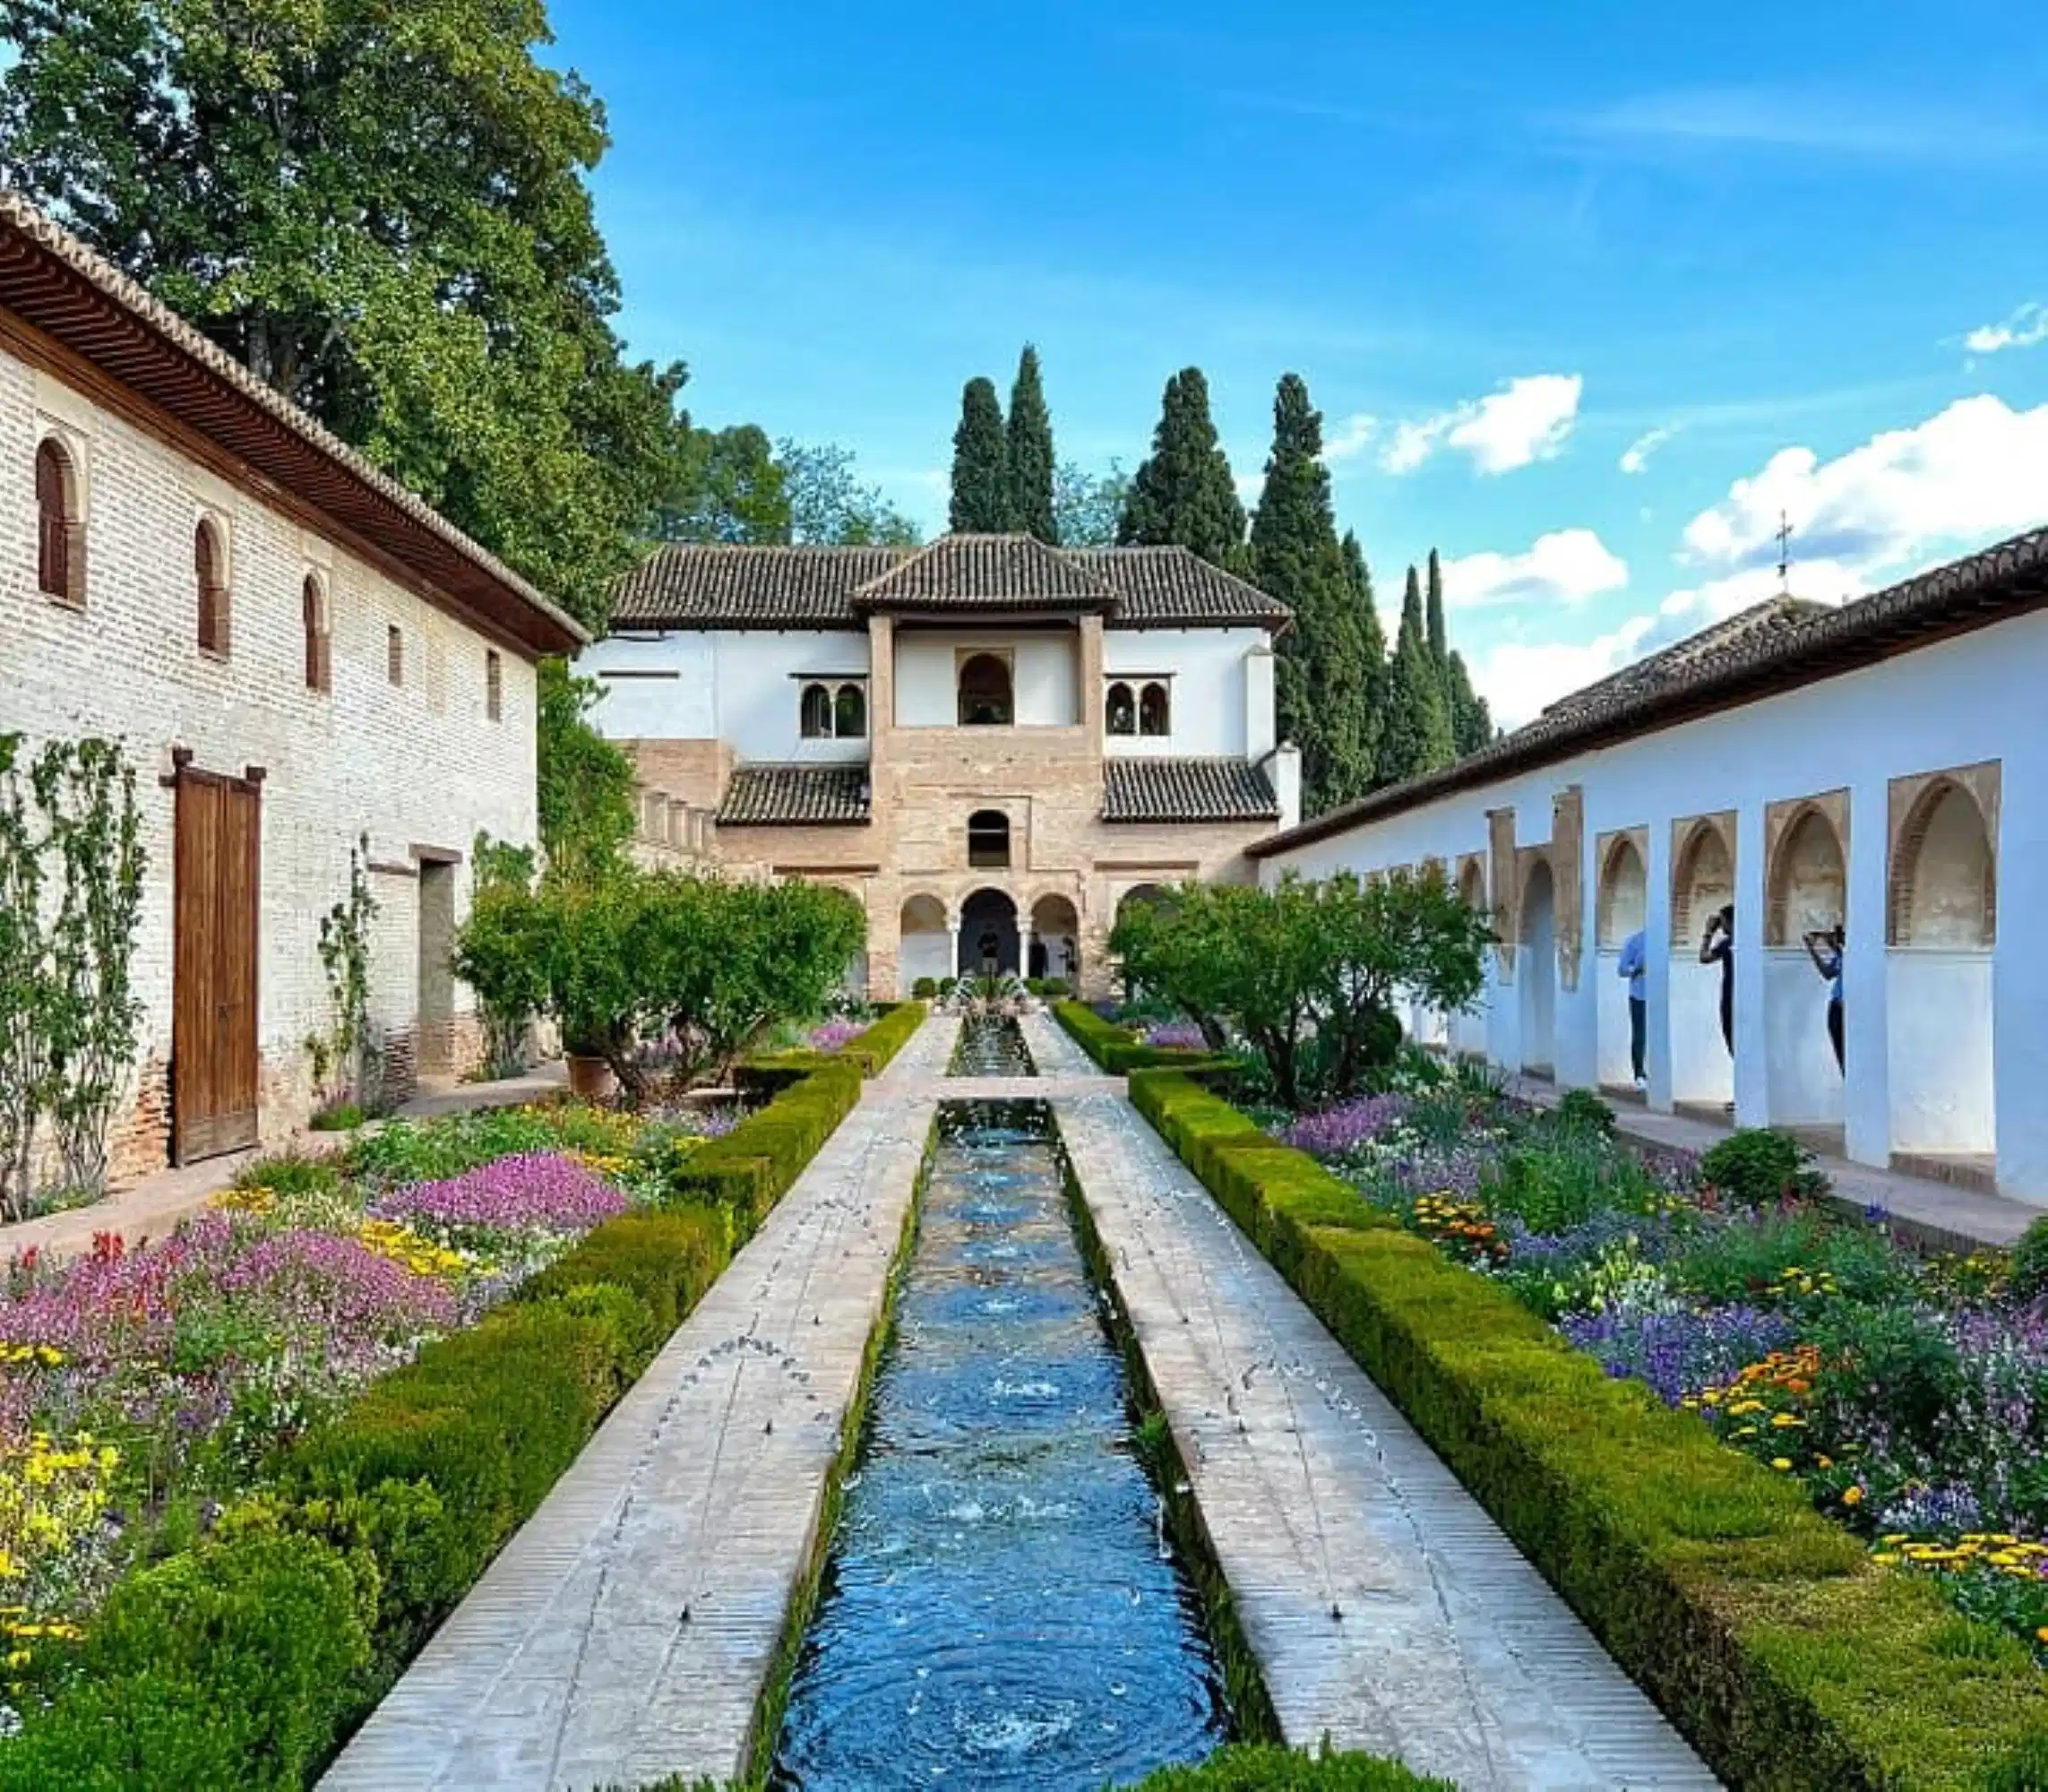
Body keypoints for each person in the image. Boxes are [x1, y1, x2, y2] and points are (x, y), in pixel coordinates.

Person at [1804, 923, 1846, 1073]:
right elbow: (1829, 973)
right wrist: (1814, 948)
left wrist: (1815, 947)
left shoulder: (1851, 956)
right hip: (1837, 1008)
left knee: (1848, 1055)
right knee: (1842, 1054)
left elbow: (1828, 972)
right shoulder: (1842, 956)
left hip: (1844, 1009)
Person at [1699, 903, 1734, 1059]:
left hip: (1730, 998)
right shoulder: (1729, 943)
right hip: (1733, 997)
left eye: (1723, 921)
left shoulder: (1728, 944)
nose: (1721, 926)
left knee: (1733, 1041)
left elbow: (1704, 957)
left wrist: (1708, 933)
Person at [1616, 927, 1648, 1089]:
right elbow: (1622, 969)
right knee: (1640, 1035)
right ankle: (1639, 1073)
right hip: (1640, 995)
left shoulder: (1667, 939)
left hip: (1661, 996)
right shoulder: (1636, 941)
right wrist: (1636, 970)